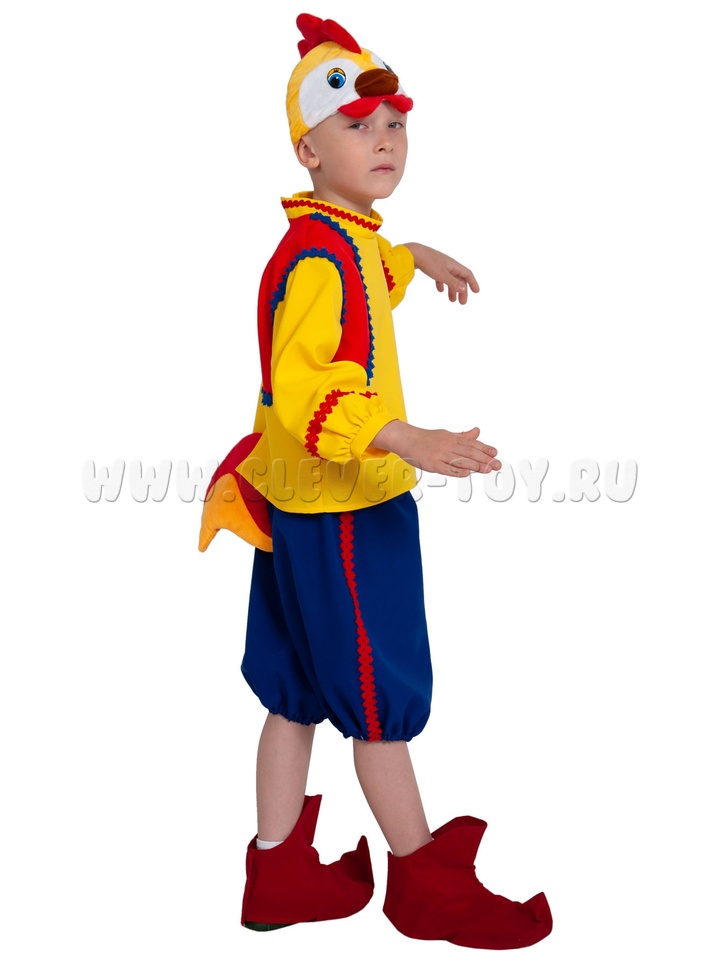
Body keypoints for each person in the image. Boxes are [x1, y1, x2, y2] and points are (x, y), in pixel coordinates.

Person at [199, 12, 552, 951]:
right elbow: (309, 381)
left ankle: (276, 870)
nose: (386, 140)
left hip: (297, 504)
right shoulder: (321, 258)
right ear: (308, 151)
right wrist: (405, 436)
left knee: (293, 688)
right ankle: (424, 884)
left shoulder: (339, 240)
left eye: (395, 124)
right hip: (349, 506)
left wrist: (413, 256)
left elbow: (364, 277)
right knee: (376, 693)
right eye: (359, 127)